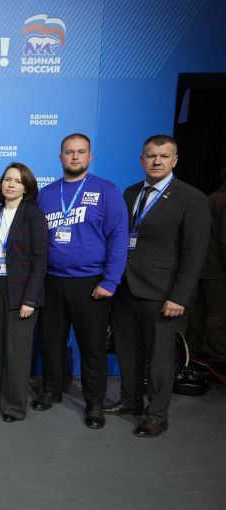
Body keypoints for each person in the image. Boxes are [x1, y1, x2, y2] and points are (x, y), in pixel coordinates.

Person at [106, 135, 209, 437]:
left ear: (174, 160)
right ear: (141, 160)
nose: (157, 161)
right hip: (125, 287)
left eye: (164, 156)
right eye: (151, 156)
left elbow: (194, 252)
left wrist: (179, 296)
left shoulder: (191, 197)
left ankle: (157, 415)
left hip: (162, 292)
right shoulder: (130, 192)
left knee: (160, 358)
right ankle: (130, 401)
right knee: (128, 351)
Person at [35, 133, 128, 429]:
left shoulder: (106, 191)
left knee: (92, 346)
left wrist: (110, 281)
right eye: (69, 152)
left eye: (81, 151)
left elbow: (119, 238)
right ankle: (52, 388)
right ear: (60, 157)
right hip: (52, 281)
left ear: (90, 156)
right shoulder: (47, 193)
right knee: (51, 341)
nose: (75, 156)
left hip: (91, 283)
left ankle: (94, 403)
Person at [0, 163, 47, 422]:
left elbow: (40, 260)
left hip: (22, 286)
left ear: (26, 187)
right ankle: (1, 396)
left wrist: (30, 299)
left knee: (16, 349)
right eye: (7, 179)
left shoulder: (33, 215)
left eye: (18, 181)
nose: (11, 184)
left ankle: (15, 406)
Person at [187, 167, 226, 374]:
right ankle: (219, 359)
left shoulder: (209, 198)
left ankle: (194, 354)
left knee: (199, 315)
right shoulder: (222, 201)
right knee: (218, 315)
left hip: (202, 268)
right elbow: (224, 240)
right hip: (218, 270)